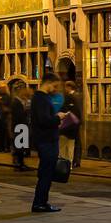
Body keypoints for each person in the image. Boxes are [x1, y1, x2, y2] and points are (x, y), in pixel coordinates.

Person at [30, 71, 64, 213]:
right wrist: (58, 117)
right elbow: (44, 120)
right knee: (46, 173)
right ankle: (40, 203)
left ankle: (41, 201)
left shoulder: (40, 98)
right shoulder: (41, 99)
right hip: (46, 141)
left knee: (46, 172)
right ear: (48, 83)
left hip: (46, 139)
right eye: (55, 86)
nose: (55, 90)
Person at [58, 80, 81, 171]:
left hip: (67, 127)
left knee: (64, 147)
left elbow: (67, 112)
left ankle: (64, 165)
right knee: (72, 146)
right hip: (74, 126)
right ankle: (72, 163)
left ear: (68, 87)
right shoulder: (78, 96)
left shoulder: (69, 97)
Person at [9, 81, 31, 171]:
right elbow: (18, 116)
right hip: (19, 127)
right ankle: (19, 164)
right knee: (19, 147)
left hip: (22, 126)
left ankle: (20, 163)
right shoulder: (16, 102)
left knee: (21, 147)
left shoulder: (20, 101)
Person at [0, 83, 11, 153]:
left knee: (6, 134)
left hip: (5, 118)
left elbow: (9, 108)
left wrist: (2, 104)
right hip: (0, 117)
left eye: (1, 88)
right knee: (0, 133)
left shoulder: (8, 97)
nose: (0, 90)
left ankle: (6, 147)